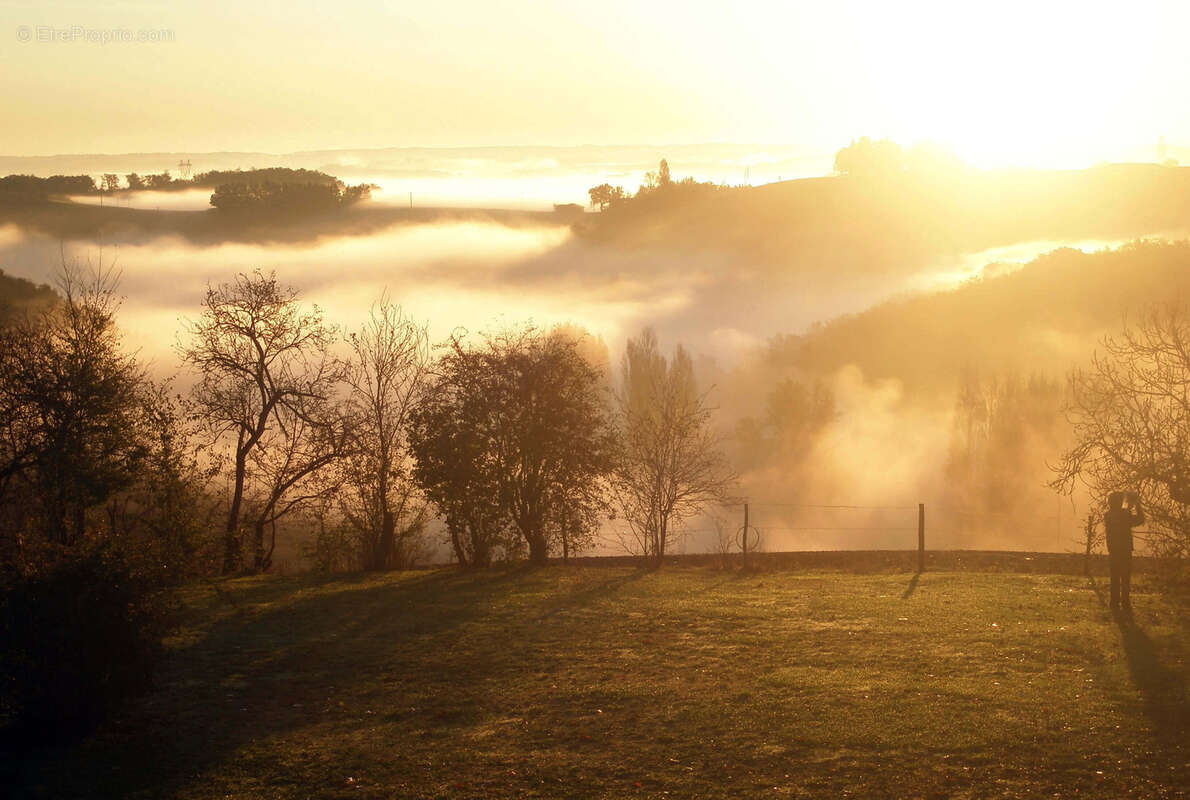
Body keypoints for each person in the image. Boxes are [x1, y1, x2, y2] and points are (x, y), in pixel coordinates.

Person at [1104, 491, 1144, 611]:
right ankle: (1125, 602)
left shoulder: (1108, 515)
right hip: (1125, 550)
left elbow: (1123, 517)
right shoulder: (1124, 515)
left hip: (1113, 550)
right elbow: (1140, 520)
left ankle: (1114, 602)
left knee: (1114, 578)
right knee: (1125, 578)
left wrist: (1130, 507)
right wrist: (1136, 504)